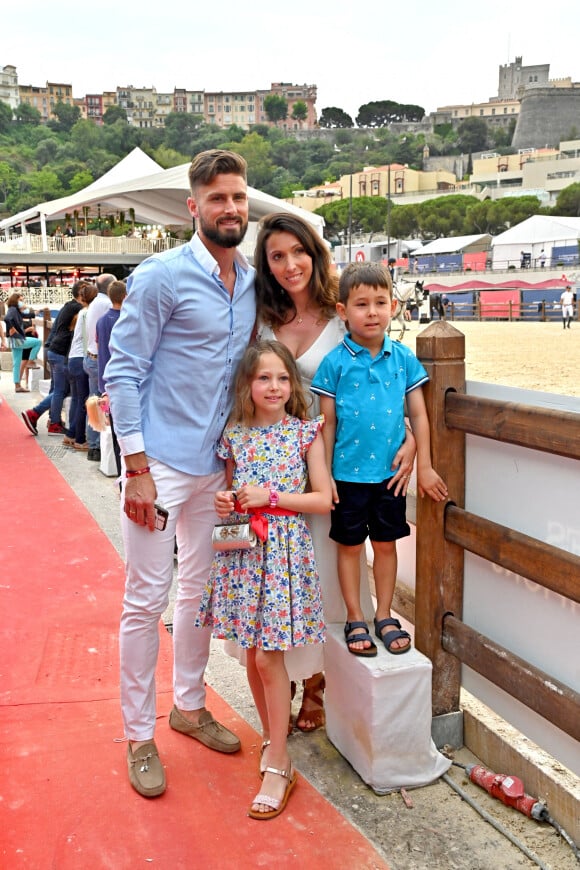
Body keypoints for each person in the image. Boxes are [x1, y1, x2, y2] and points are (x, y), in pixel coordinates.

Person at [104, 149, 255, 799]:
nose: (230, 208)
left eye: (239, 198)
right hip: (159, 465)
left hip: (215, 469)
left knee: (199, 591)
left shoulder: (250, 281)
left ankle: (188, 707)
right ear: (193, 207)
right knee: (145, 600)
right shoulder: (161, 276)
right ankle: (139, 735)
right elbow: (123, 370)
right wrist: (136, 468)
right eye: (217, 198)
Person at [253, 212, 417, 730]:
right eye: (277, 255)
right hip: (278, 463)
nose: (289, 264)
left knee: (329, 563)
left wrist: (411, 439)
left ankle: (321, 683)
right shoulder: (259, 316)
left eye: (298, 251)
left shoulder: (345, 312)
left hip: (335, 463)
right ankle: (291, 675)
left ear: (315, 253)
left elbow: (391, 389)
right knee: (282, 574)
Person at [196, 340, 332, 820]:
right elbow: (232, 492)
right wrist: (227, 501)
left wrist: (271, 496)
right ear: (247, 386)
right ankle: (274, 739)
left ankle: (279, 760)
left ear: (292, 384)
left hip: (284, 555)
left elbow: (322, 499)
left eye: (282, 378)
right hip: (244, 557)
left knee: (269, 659)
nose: (274, 387)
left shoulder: (303, 434)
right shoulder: (235, 436)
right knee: (253, 658)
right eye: (263, 378)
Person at [311, 262, 448, 656]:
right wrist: (326, 477)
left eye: (380, 302)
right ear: (342, 312)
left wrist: (423, 465)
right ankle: (356, 616)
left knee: (386, 546)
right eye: (361, 304)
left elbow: (418, 415)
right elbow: (328, 424)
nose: (372, 312)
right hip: (347, 477)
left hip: (391, 477)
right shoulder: (334, 363)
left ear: (393, 307)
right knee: (350, 548)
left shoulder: (402, 359)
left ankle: (384, 614)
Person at [96, 280, 127, 475]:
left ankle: (122, 478)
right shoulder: (125, 320)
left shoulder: (102, 320)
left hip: (106, 381)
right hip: (123, 381)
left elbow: (100, 351)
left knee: (116, 433)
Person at [84, 273, 115, 461]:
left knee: (92, 402)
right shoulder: (107, 305)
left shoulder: (95, 302)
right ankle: (96, 446)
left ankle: (93, 444)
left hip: (90, 357)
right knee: (99, 404)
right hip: (98, 360)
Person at [44, 283, 83, 435]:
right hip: (61, 352)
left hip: (54, 349)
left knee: (57, 389)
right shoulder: (78, 309)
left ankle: (52, 419)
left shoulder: (68, 305)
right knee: (62, 390)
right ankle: (50, 420)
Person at [66, 281, 98, 450]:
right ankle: (80, 439)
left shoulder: (82, 312)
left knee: (78, 400)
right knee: (84, 402)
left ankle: (71, 435)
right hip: (80, 359)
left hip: (73, 359)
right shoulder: (88, 312)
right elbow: (88, 340)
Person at [3, 292, 42, 393]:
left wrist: (37, 312)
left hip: (14, 340)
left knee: (16, 363)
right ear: (15, 300)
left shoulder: (15, 310)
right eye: (20, 300)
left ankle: (17, 385)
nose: (22, 302)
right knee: (37, 342)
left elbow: (27, 314)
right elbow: (7, 319)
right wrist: (11, 329)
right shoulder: (12, 310)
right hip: (17, 339)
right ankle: (31, 361)